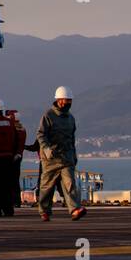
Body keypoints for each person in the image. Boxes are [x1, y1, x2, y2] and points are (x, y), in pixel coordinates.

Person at [36, 86, 86, 222]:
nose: (68, 103)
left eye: (70, 100)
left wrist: (74, 155)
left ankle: (75, 209)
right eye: (66, 100)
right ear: (58, 100)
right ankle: (44, 210)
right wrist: (46, 149)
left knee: (70, 183)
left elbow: (72, 138)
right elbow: (41, 134)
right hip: (50, 159)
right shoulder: (48, 116)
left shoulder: (71, 118)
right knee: (47, 186)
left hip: (66, 157)